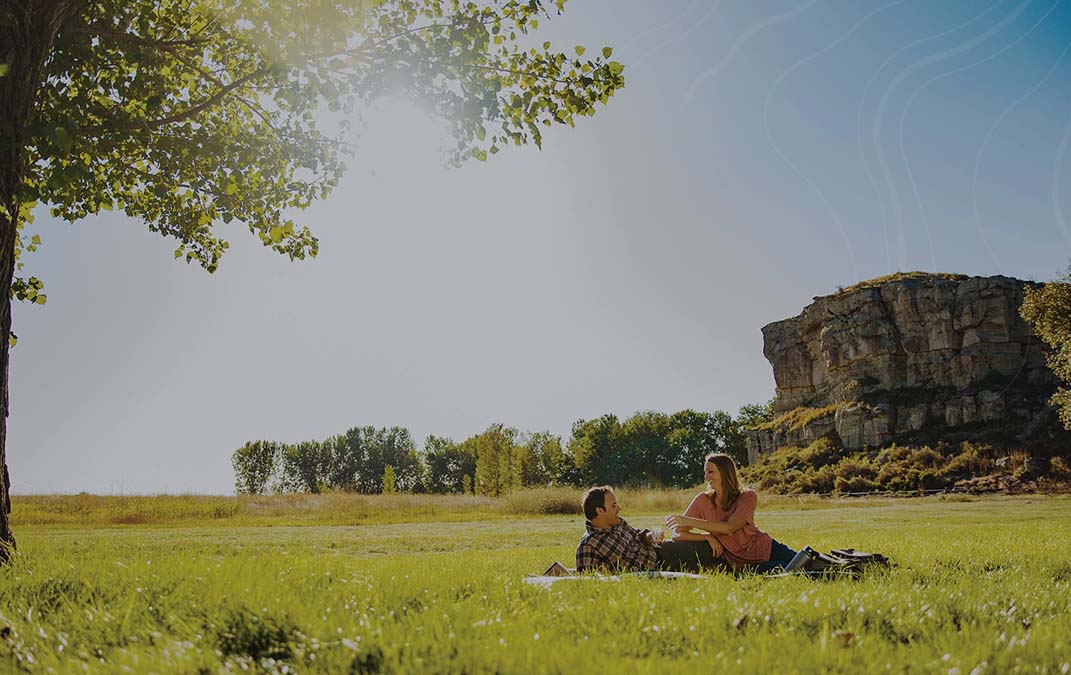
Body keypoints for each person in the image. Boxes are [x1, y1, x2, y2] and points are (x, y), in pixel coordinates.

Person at [665, 453, 797, 574]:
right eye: (705, 472)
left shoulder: (747, 496)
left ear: (725, 473)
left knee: (808, 564)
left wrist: (689, 521)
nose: (706, 477)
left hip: (765, 548)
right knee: (783, 570)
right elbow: (677, 534)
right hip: (738, 562)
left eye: (711, 472)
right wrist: (707, 537)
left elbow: (730, 528)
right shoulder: (702, 500)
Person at [575, 485, 724, 573]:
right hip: (658, 568)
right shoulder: (588, 545)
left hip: (661, 551)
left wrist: (649, 536)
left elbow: (637, 535)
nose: (619, 508)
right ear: (600, 511)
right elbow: (587, 578)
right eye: (613, 505)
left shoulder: (618, 523)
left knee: (708, 548)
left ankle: (737, 562)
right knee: (705, 565)